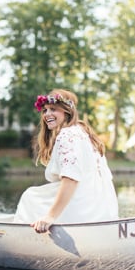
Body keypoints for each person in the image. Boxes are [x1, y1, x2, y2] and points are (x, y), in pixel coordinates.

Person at [14, 89, 118, 233]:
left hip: (83, 209)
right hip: (101, 208)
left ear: (67, 112)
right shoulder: (83, 132)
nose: (47, 114)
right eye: (45, 110)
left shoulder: (67, 135)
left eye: (53, 109)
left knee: (30, 197)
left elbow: (71, 178)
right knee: (35, 194)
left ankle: (22, 239)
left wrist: (50, 217)